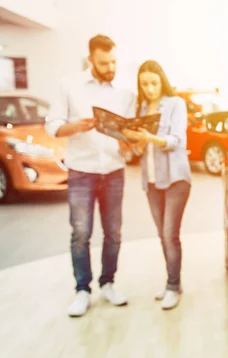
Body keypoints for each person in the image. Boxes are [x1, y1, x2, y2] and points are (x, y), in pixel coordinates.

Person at [45, 35, 134, 317]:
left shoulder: (125, 92)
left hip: (114, 170)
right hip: (81, 171)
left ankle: (108, 282)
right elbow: (52, 125)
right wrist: (75, 127)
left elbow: (128, 135)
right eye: (104, 63)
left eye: (113, 62)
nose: (110, 68)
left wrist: (127, 143)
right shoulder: (69, 85)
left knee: (114, 233)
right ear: (90, 60)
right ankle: (82, 290)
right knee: (81, 233)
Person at [122, 60, 192, 310]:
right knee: (162, 235)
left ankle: (173, 286)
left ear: (162, 81)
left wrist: (149, 137)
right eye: (144, 84)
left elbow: (177, 140)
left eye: (153, 83)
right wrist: (135, 142)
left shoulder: (175, 104)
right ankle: (173, 283)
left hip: (175, 179)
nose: (150, 88)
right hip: (151, 180)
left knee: (169, 234)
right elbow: (141, 149)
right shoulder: (140, 108)